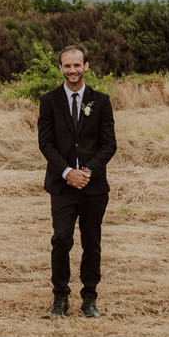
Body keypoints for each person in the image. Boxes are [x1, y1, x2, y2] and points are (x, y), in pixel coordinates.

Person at [36, 44, 116, 319]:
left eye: (77, 65)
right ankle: (60, 297)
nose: (72, 70)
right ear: (60, 68)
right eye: (67, 66)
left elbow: (109, 144)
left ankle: (89, 298)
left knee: (92, 242)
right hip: (62, 186)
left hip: (94, 187)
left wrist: (88, 171)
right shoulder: (48, 101)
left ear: (86, 67)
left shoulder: (101, 101)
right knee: (61, 239)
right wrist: (68, 172)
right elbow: (45, 143)